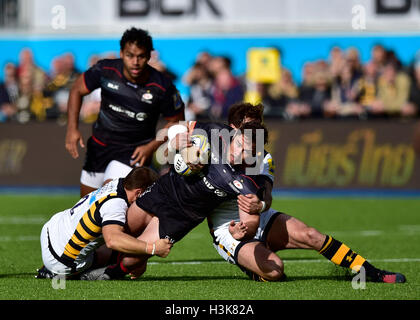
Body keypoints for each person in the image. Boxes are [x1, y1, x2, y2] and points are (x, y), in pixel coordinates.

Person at [207, 103, 406, 284]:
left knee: (311, 235)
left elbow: (266, 196)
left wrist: (260, 206)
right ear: (233, 128)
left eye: (258, 127)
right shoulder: (212, 155)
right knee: (275, 272)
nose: (257, 133)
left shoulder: (263, 158)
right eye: (250, 127)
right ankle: (252, 264)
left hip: (260, 218)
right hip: (229, 230)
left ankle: (372, 273)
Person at [81, 119, 269, 280]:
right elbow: (179, 127)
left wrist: (241, 231)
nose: (239, 154)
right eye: (239, 145)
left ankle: (108, 274)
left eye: (247, 151)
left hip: (182, 217)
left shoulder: (248, 179)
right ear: (234, 134)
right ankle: (71, 261)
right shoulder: (215, 132)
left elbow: (253, 215)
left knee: (132, 260)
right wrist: (175, 141)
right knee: (117, 232)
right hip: (163, 191)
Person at [65, 27, 185, 197]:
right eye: (130, 55)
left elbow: (177, 122)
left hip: (132, 153)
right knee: (85, 207)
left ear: (149, 56)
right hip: (99, 148)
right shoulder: (105, 70)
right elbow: (77, 89)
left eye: (141, 56)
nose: (135, 62)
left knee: (108, 199)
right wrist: (72, 128)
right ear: (121, 53)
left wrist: (151, 147)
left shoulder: (162, 86)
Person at [36, 166, 172, 279]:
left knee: (109, 234)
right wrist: (151, 248)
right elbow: (112, 240)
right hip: (62, 261)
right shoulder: (115, 204)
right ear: (139, 192)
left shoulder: (116, 183)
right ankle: (65, 273)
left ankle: (50, 266)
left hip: (50, 230)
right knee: (117, 247)